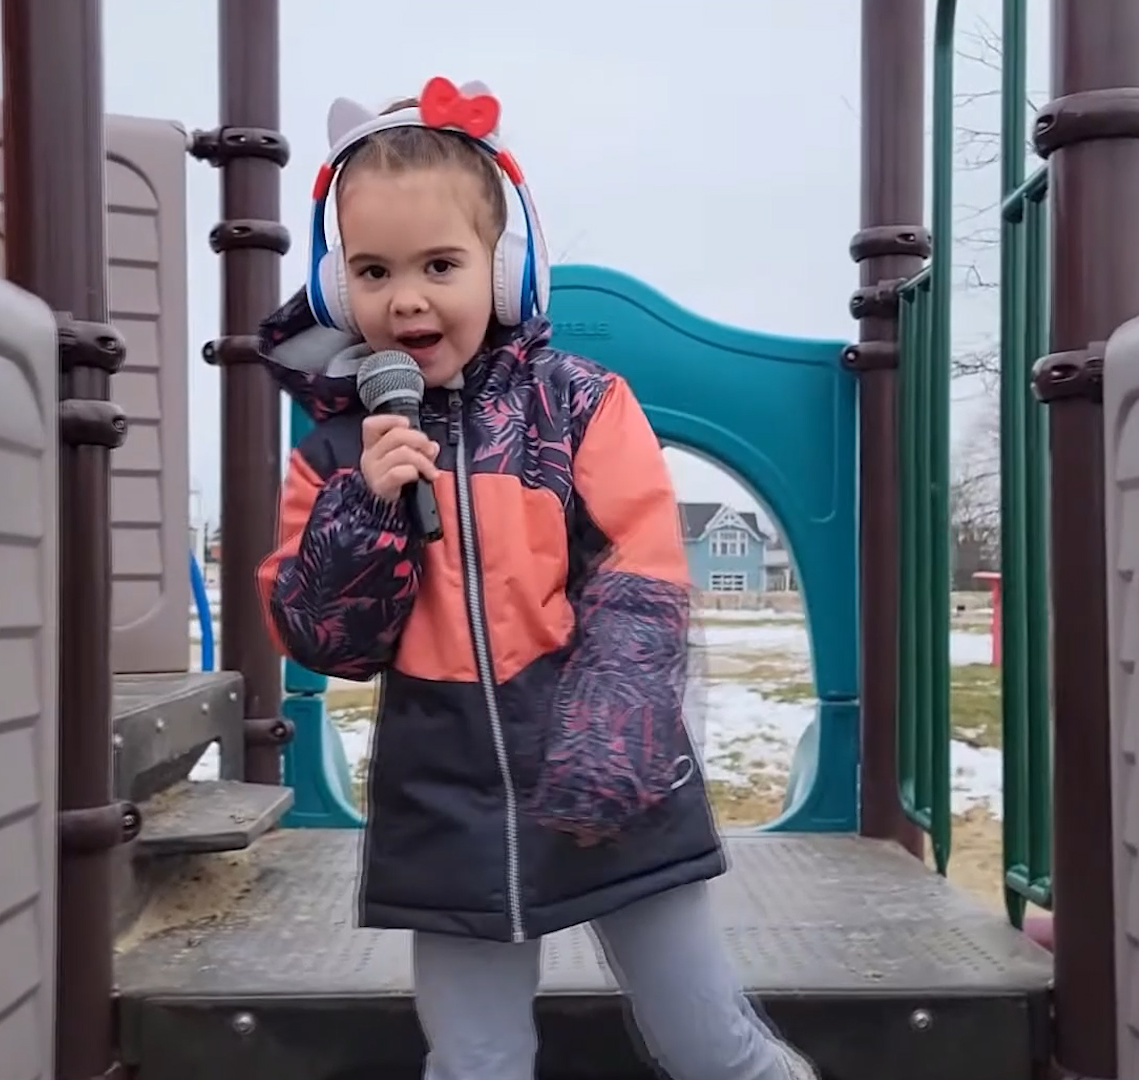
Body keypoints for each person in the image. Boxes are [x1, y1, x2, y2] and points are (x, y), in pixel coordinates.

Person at [255, 77, 819, 1080]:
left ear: (507, 270)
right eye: (375, 271)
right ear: (339, 289)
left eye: (440, 265)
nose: (407, 298)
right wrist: (367, 508)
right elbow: (326, 639)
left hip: (610, 768)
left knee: (708, 1044)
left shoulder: (580, 406)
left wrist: (614, 727)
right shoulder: (336, 452)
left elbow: (642, 569)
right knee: (475, 1059)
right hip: (447, 800)